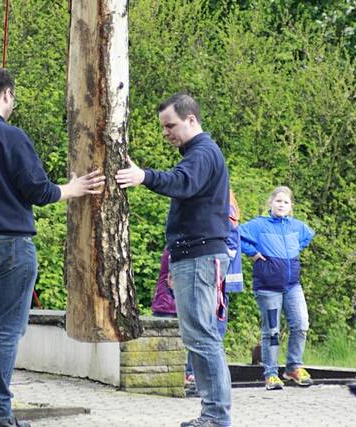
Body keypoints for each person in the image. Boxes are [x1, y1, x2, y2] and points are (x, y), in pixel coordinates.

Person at [0, 66, 105, 427]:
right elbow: (37, 190)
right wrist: (72, 189)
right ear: (8, 94)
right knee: (6, 331)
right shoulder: (12, 137)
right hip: (12, 245)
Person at [116, 92, 232, 427]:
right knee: (199, 336)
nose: (167, 133)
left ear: (191, 120)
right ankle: (213, 414)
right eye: (164, 127)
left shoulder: (202, 153)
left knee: (203, 337)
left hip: (199, 254)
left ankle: (216, 416)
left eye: (171, 126)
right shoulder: (196, 153)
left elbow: (181, 182)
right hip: (191, 255)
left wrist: (144, 177)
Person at [239, 186, 314, 391]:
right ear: (270, 203)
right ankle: (271, 374)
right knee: (272, 331)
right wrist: (252, 253)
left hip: (292, 286)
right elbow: (235, 234)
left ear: (291, 207)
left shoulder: (296, 227)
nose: (282, 205)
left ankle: (293, 367)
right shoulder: (258, 225)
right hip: (268, 288)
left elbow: (308, 235)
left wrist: (296, 248)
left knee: (301, 324)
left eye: (286, 202)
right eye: (278, 201)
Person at [184, 190, 244, 387]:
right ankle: (194, 372)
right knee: (203, 325)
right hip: (205, 273)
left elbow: (231, 243)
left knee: (213, 326)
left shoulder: (224, 201)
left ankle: (203, 375)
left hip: (216, 276)